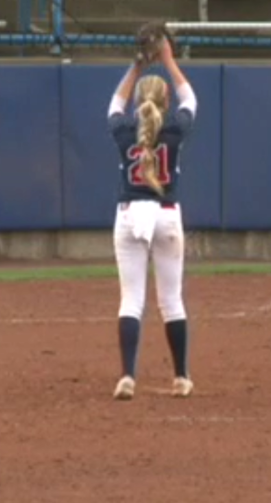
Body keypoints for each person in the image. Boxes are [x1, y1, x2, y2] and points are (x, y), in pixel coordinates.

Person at [107, 39, 196, 400]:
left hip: (130, 216)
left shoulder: (125, 132)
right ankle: (181, 378)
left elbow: (114, 104)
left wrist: (138, 66)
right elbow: (190, 99)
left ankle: (128, 376)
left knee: (132, 301)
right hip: (166, 216)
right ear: (165, 103)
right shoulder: (174, 130)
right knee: (171, 302)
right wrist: (168, 61)